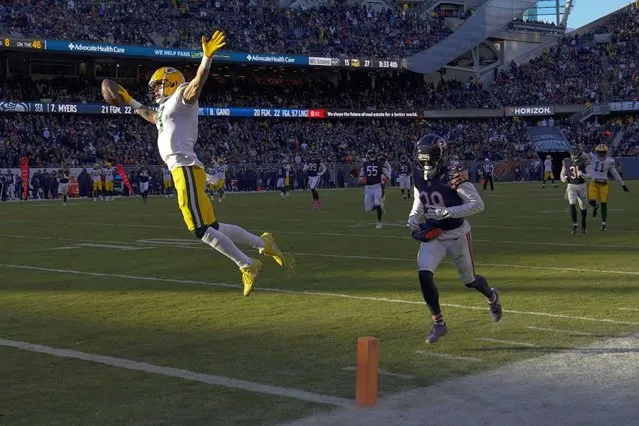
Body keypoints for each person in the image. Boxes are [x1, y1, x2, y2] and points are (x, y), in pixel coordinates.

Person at [115, 30, 290, 296]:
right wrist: (129, 101)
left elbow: (197, 84)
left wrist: (206, 58)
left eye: (159, 84)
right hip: (185, 168)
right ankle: (262, 243)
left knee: (199, 229)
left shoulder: (182, 94)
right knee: (215, 227)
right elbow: (151, 116)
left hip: (184, 167)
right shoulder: (165, 108)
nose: (155, 89)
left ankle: (247, 264)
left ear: (173, 83)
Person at [407, 134, 502, 344]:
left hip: (457, 233)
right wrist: (414, 215)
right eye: (422, 159)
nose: (425, 164)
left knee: (470, 280)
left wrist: (449, 212)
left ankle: (492, 297)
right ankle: (439, 323)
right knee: (424, 274)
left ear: (439, 157)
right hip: (434, 233)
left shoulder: (453, 174)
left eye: (428, 159)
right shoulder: (418, 174)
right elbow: (419, 198)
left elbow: (477, 204)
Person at [586, 143, 629, 231]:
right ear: (597, 152)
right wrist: (578, 148)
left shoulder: (610, 160)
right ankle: (595, 206)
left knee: (604, 203)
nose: (601, 154)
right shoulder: (592, 156)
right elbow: (581, 154)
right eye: (600, 152)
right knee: (591, 201)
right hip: (593, 183)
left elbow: (615, 173)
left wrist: (623, 184)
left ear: (606, 152)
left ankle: (603, 223)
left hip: (604, 184)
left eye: (603, 152)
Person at [560, 145, 589, 234]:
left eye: (575, 151)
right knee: (572, 203)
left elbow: (591, 175)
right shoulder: (566, 161)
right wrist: (563, 178)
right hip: (571, 185)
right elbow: (562, 173)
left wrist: (583, 175)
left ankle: (583, 223)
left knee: (582, 207)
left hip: (581, 185)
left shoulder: (584, 161)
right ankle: (575, 224)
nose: (574, 153)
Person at [359, 148, 390, 229]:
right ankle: (380, 206)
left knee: (377, 203)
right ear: (368, 155)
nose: (372, 155)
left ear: (375, 155)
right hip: (368, 188)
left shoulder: (380, 164)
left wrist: (385, 179)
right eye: (370, 154)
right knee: (368, 210)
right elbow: (361, 176)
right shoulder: (365, 164)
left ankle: (379, 222)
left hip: (377, 186)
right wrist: (361, 180)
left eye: (373, 154)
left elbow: (387, 175)